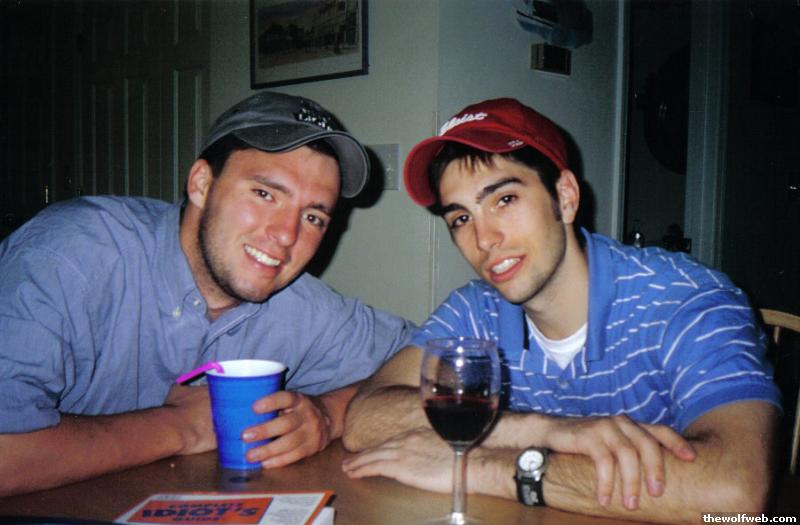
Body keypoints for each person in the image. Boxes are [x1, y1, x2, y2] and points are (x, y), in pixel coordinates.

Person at [341, 98, 781, 522]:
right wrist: (543, 430)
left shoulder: (685, 299)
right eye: (460, 218)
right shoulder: (476, 309)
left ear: (565, 197)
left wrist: (479, 466)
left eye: (504, 199)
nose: (484, 239)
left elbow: (736, 492)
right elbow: (363, 419)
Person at [0, 92, 414, 496]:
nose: (286, 235)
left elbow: (433, 359)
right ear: (201, 183)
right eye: (265, 194)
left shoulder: (304, 307)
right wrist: (180, 427)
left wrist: (327, 415)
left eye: (312, 217)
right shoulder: (70, 254)